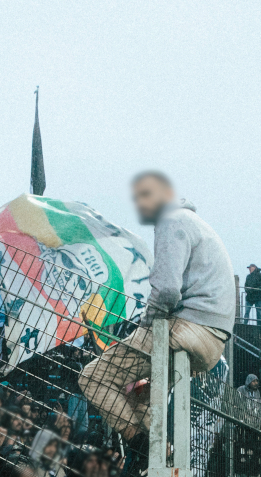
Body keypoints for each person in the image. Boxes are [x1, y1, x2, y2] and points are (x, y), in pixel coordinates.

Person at [77, 172, 235, 450]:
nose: (140, 204)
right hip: (213, 340)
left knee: (92, 378)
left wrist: (144, 325)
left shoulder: (170, 220)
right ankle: (159, 458)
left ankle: (140, 452)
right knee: (140, 398)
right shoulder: (194, 223)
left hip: (186, 328)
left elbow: (167, 291)